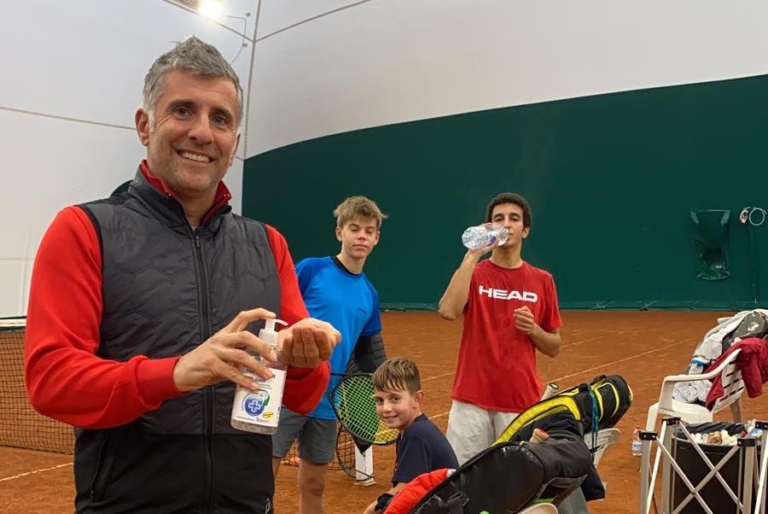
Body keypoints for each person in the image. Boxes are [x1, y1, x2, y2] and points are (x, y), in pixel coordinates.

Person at [24, 36, 341, 514]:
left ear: (234, 142)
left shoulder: (268, 243)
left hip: (247, 504)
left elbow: (304, 389)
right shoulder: (83, 230)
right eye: (183, 110)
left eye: (221, 119)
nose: (202, 132)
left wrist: (304, 356)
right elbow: (52, 379)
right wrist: (174, 374)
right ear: (144, 124)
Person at [272, 196, 388, 514]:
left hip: (326, 401)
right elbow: (278, 311)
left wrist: (386, 387)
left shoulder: (370, 293)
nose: (361, 236)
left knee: (315, 484)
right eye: (354, 229)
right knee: (261, 477)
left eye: (368, 230)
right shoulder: (312, 269)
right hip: (286, 392)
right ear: (340, 232)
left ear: (377, 237)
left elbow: (368, 351)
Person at [438, 192, 562, 465]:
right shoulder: (475, 272)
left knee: (514, 483)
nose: (506, 224)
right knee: (462, 479)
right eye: (499, 219)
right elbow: (448, 310)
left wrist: (533, 330)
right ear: (489, 227)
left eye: (514, 219)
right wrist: (473, 255)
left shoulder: (542, 281)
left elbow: (554, 346)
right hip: (471, 400)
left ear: (525, 230)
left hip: (519, 401)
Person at [363, 358, 458, 514]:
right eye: (379, 400)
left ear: (417, 399)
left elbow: (403, 492)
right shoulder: (414, 429)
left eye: (395, 398)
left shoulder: (416, 434)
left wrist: (371, 510)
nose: (386, 408)